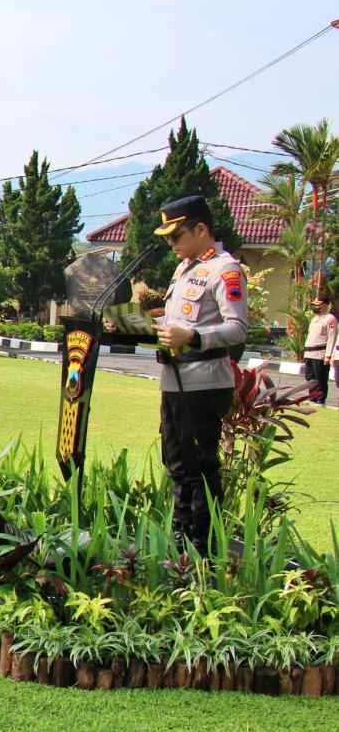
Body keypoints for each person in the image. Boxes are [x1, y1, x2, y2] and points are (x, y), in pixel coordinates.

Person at [151, 194, 248, 555]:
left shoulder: (225, 269)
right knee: (176, 462)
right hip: (175, 380)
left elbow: (238, 329)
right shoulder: (185, 269)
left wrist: (192, 337)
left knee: (200, 467)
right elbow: (179, 321)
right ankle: (181, 540)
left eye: (176, 237)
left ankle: (204, 546)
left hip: (204, 382)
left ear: (201, 229)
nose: (171, 245)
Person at [303, 289, 337, 406]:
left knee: (320, 378)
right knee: (310, 378)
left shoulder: (330, 319)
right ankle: (312, 397)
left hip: (320, 353)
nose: (315, 308)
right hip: (309, 353)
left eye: (318, 305)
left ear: (326, 305)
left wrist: (328, 355)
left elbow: (332, 338)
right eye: (314, 305)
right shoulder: (314, 319)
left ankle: (320, 399)